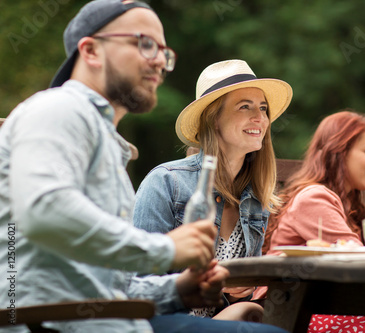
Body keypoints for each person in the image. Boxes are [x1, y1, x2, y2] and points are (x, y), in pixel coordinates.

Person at [0, 2, 287, 333]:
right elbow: (43, 210)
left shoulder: (109, 149)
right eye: (145, 44)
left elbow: (116, 288)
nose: (159, 62)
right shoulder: (58, 108)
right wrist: (166, 249)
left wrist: (178, 290)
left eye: (164, 53)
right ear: (91, 50)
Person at [133, 59, 292, 321]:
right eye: (245, 106)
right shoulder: (165, 183)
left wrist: (239, 292)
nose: (260, 117)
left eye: (263, 108)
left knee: (256, 313)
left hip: (219, 322)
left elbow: (235, 297)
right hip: (167, 323)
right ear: (214, 118)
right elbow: (140, 283)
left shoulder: (256, 199)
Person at [264, 111, 365, 333]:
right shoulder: (314, 197)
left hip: (320, 305)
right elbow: (358, 263)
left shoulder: (343, 202)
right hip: (292, 313)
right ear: (339, 152)